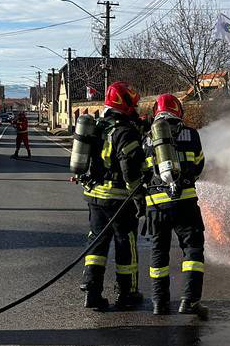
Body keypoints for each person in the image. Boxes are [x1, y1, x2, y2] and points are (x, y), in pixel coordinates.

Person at [79, 82, 147, 311]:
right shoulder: (125, 131)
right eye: (133, 103)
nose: (136, 108)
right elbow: (130, 169)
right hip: (119, 199)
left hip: (94, 196)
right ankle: (127, 293)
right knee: (125, 243)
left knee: (97, 241)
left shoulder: (97, 126)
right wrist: (138, 195)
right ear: (124, 104)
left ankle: (92, 290)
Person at [142, 93, 207, 319]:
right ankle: (189, 301)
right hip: (185, 203)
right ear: (179, 111)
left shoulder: (148, 137)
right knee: (192, 251)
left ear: (155, 113)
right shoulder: (192, 135)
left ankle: (159, 303)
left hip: (156, 207)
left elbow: (142, 171)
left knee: (159, 253)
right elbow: (199, 166)